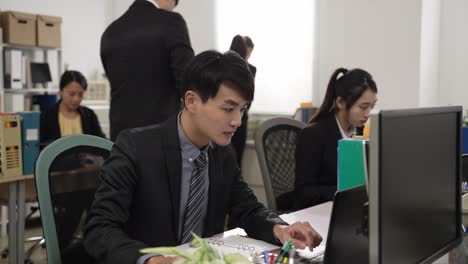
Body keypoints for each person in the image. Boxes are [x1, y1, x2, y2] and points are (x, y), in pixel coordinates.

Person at [83, 51, 322, 264]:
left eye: (242, 109)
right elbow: (99, 228)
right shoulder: (136, 147)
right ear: (192, 101)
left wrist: (279, 229)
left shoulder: (221, 152)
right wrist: (150, 259)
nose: (237, 121)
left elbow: (247, 209)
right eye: (228, 109)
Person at [101, 0, 194, 141]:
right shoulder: (171, 21)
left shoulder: (110, 32)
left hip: (121, 138)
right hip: (161, 137)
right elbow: (188, 80)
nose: (172, 9)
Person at [294, 68, 378, 210]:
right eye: (363, 107)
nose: (368, 113)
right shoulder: (314, 135)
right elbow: (304, 193)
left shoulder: (361, 132)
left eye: (372, 106)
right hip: (319, 212)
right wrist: (344, 193)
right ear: (340, 102)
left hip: (350, 209)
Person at [40, 70, 105, 145]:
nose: (76, 99)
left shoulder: (89, 116)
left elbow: (101, 143)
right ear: (61, 91)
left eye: (80, 94)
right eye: (71, 94)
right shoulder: (46, 117)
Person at [229, 34, 255, 165]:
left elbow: (249, 100)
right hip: (228, 118)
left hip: (242, 119)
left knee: (237, 160)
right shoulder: (224, 65)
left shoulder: (251, 69)